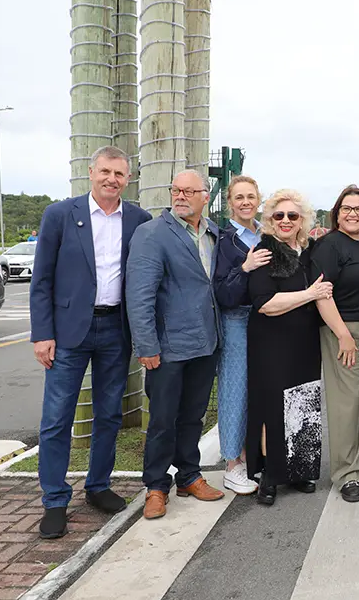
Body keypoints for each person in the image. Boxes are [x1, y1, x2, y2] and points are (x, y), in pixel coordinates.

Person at [29, 145, 151, 539]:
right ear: (91, 171)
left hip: (116, 329)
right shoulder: (61, 215)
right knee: (57, 418)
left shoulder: (138, 220)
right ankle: (54, 500)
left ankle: (97, 486)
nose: (111, 179)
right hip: (68, 332)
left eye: (119, 174)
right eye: (105, 172)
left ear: (128, 179)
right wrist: (42, 333)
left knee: (109, 414)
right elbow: (41, 279)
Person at [127, 170, 225, 520]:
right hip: (167, 346)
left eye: (189, 191)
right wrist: (146, 346)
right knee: (163, 419)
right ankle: (155, 486)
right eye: (176, 190)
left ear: (205, 196)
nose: (181, 196)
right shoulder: (152, 234)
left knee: (193, 417)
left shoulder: (214, 233)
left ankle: (189, 475)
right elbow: (139, 295)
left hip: (206, 342)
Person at [247, 189, 331, 506]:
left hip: (305, 340)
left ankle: (299, 471)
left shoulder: (309, 252)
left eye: (292, 216)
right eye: (278, 215)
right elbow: (266, 303)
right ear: (269, 220)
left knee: (304, 402)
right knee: (273, 407)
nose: (285, 220)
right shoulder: (265, 252)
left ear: (302, 220)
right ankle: (270, 474)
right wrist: (309, 295)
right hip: (271, 341)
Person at [310, 185, 359, 502]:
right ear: (337, 214)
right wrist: (342, 334)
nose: (353, 213)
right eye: (347, 208)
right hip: (345, 332)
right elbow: (322, 293)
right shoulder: (330, 245)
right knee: (345, 404)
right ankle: (346, 474)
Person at [211, 175, 272, 495]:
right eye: (239, 197)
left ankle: (253, 456)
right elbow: (221, 290)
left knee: (261, 389)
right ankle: (232, 463)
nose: (246, 202)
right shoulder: (224, 240)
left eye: (251, 196)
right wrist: (245, 268)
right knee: (235, 387)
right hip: (236, 319)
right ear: (229, 202)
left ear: (259, 199)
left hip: (268, 318)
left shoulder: (268, 233)